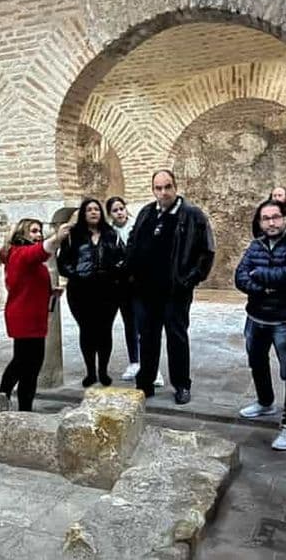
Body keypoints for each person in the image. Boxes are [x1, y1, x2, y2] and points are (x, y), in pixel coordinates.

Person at [127, 169, 215, 403]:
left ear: (175, 187)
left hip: (175, 291)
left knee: (176, 337)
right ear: (153, 189)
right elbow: (133, 240)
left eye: (167, 187)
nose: (163, 192)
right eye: (158, 188)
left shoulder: (192, 215)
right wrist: (132, 273)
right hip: (146, 291)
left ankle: (181, 385)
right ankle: (145, 384)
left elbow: (206, 252)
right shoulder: (146, 212)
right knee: (147, 337)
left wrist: (189, 280)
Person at [235, 200, 286, 451]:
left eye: (275, 217)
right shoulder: (255, 246)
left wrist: (260, 275)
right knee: (256, 361)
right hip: (256, 317)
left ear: (284, 219)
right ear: (259, 222)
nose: (271, 222)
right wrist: (264, 287)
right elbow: (240, 276)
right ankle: (265, 402)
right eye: (266, 218)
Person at [0, 219, 71, 410]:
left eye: (39, 231)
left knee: (28, 365)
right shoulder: (21, 253)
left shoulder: (24, 256)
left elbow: (27, 283)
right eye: (34, 231)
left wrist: (50, 291)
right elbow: (40, 251)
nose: (38, 235)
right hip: (24, 319)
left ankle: (16, 404)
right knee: (24, 365)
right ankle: (6, 400)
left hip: (33, 318)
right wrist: (58, 237)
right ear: (22, 234)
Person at [57, 199, 124, 387]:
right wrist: (77, 274)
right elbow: (63, 263)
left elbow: (121, 257)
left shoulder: (112, 235)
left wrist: (113, 272)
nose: (93, 212)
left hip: (108, 290)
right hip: (81, 291)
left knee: (104, 331)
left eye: (97, 209)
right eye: (89, 210)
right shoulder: (73, 236)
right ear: (83, 214)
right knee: (87, 331)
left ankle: (103, 371)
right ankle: (90, 372)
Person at [106, 196, 146, 383]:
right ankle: (134, 361)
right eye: (115, 210)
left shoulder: (136, 227)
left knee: (145, 325)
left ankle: (150, 365)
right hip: (121, 286)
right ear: (110, 214)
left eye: (121, 208)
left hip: (139, 284)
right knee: (130, 323)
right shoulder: (109, 233)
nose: (119, 212)